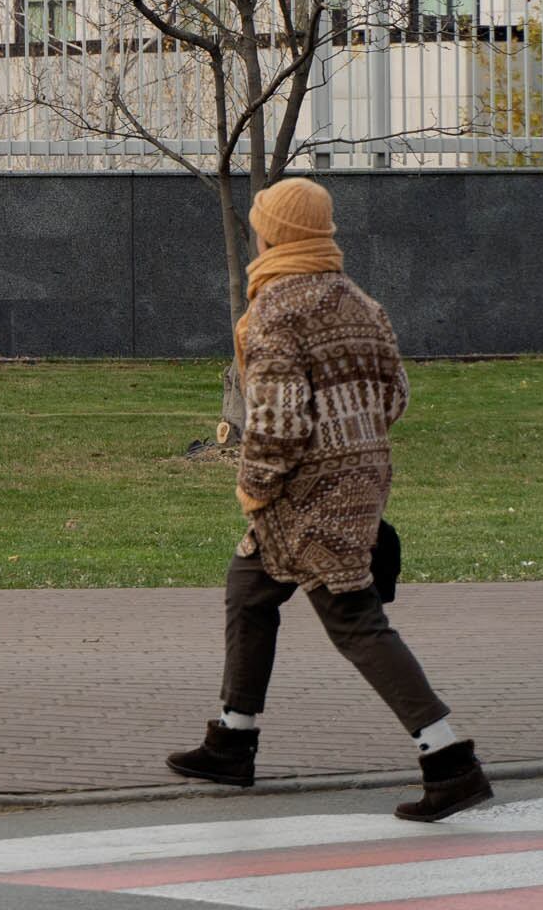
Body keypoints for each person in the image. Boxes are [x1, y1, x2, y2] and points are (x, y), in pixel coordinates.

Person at [165, 177, 492, 822]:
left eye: (260, 223)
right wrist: (355, 439)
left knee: (356, 621)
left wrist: (253, 485)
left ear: (273, 232)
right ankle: (234, 738)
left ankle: (450, 762)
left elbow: (278, 423)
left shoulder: (274, 311)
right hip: (361, 481)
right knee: (249, 589)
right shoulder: (360, 302)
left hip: (303, 495)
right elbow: (394, 395)